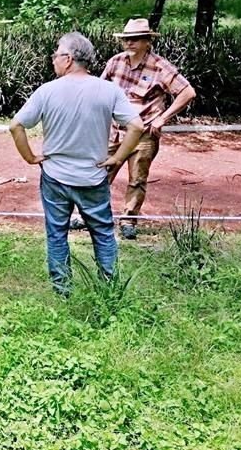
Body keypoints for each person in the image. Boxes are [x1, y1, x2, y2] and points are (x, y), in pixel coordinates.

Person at [9, 32, 144, 295]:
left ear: (68, 59)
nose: (53, 60)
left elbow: (16, 125)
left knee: (57, 234)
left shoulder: (46, 91)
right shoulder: (108, 90)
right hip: (93, 177)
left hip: (55, 177)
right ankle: (109, 288)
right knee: (103, 234)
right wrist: (117, 157)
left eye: (56, 54)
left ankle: (63, 290)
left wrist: (30, 157)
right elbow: (137, 126)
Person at [100, 18, 197, 239]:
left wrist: (163, 118)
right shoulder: (115, 62)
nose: (129, 43)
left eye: (135, 39)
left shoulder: (160, 66)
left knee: (137, 178)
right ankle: (92, 215)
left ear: (147, 42)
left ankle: (129, 219)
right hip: (115, 131)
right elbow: (100, 90)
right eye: (126, 39)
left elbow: (188, 92)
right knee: (100, 173)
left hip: (143, 133)